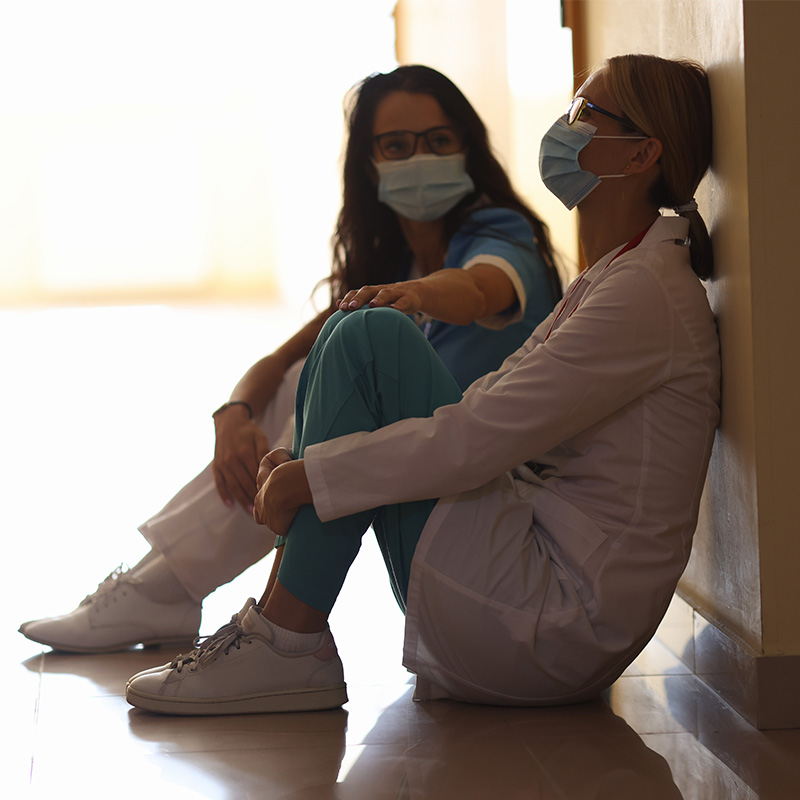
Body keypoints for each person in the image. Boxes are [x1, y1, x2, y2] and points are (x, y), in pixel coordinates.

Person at [124, 53, 721, 715]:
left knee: (369, 335)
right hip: (529, 584)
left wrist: (312, 475)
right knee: (353, 335)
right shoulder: (620, 273)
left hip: (555, 624)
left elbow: (477, 429)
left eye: (584, 113)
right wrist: (305, 463)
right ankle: (278, 632)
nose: (564, 127)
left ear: (640, 155)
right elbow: (483, 408)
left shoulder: (640, 292)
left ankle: (283, 637)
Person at [20, 65, 561, 654]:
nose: (419, 157)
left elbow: (483, 288)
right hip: (418, 475)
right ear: (369, 161)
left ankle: (173, 593)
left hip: (490, 495)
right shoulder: (395, 262)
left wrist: (422, 295)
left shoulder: (500, 236)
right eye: (396, 145)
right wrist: (233, 414)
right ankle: (164, 587)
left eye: (438, 140)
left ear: (467, 147)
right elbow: (279, 361)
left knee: (329, 388)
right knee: (303, 378)